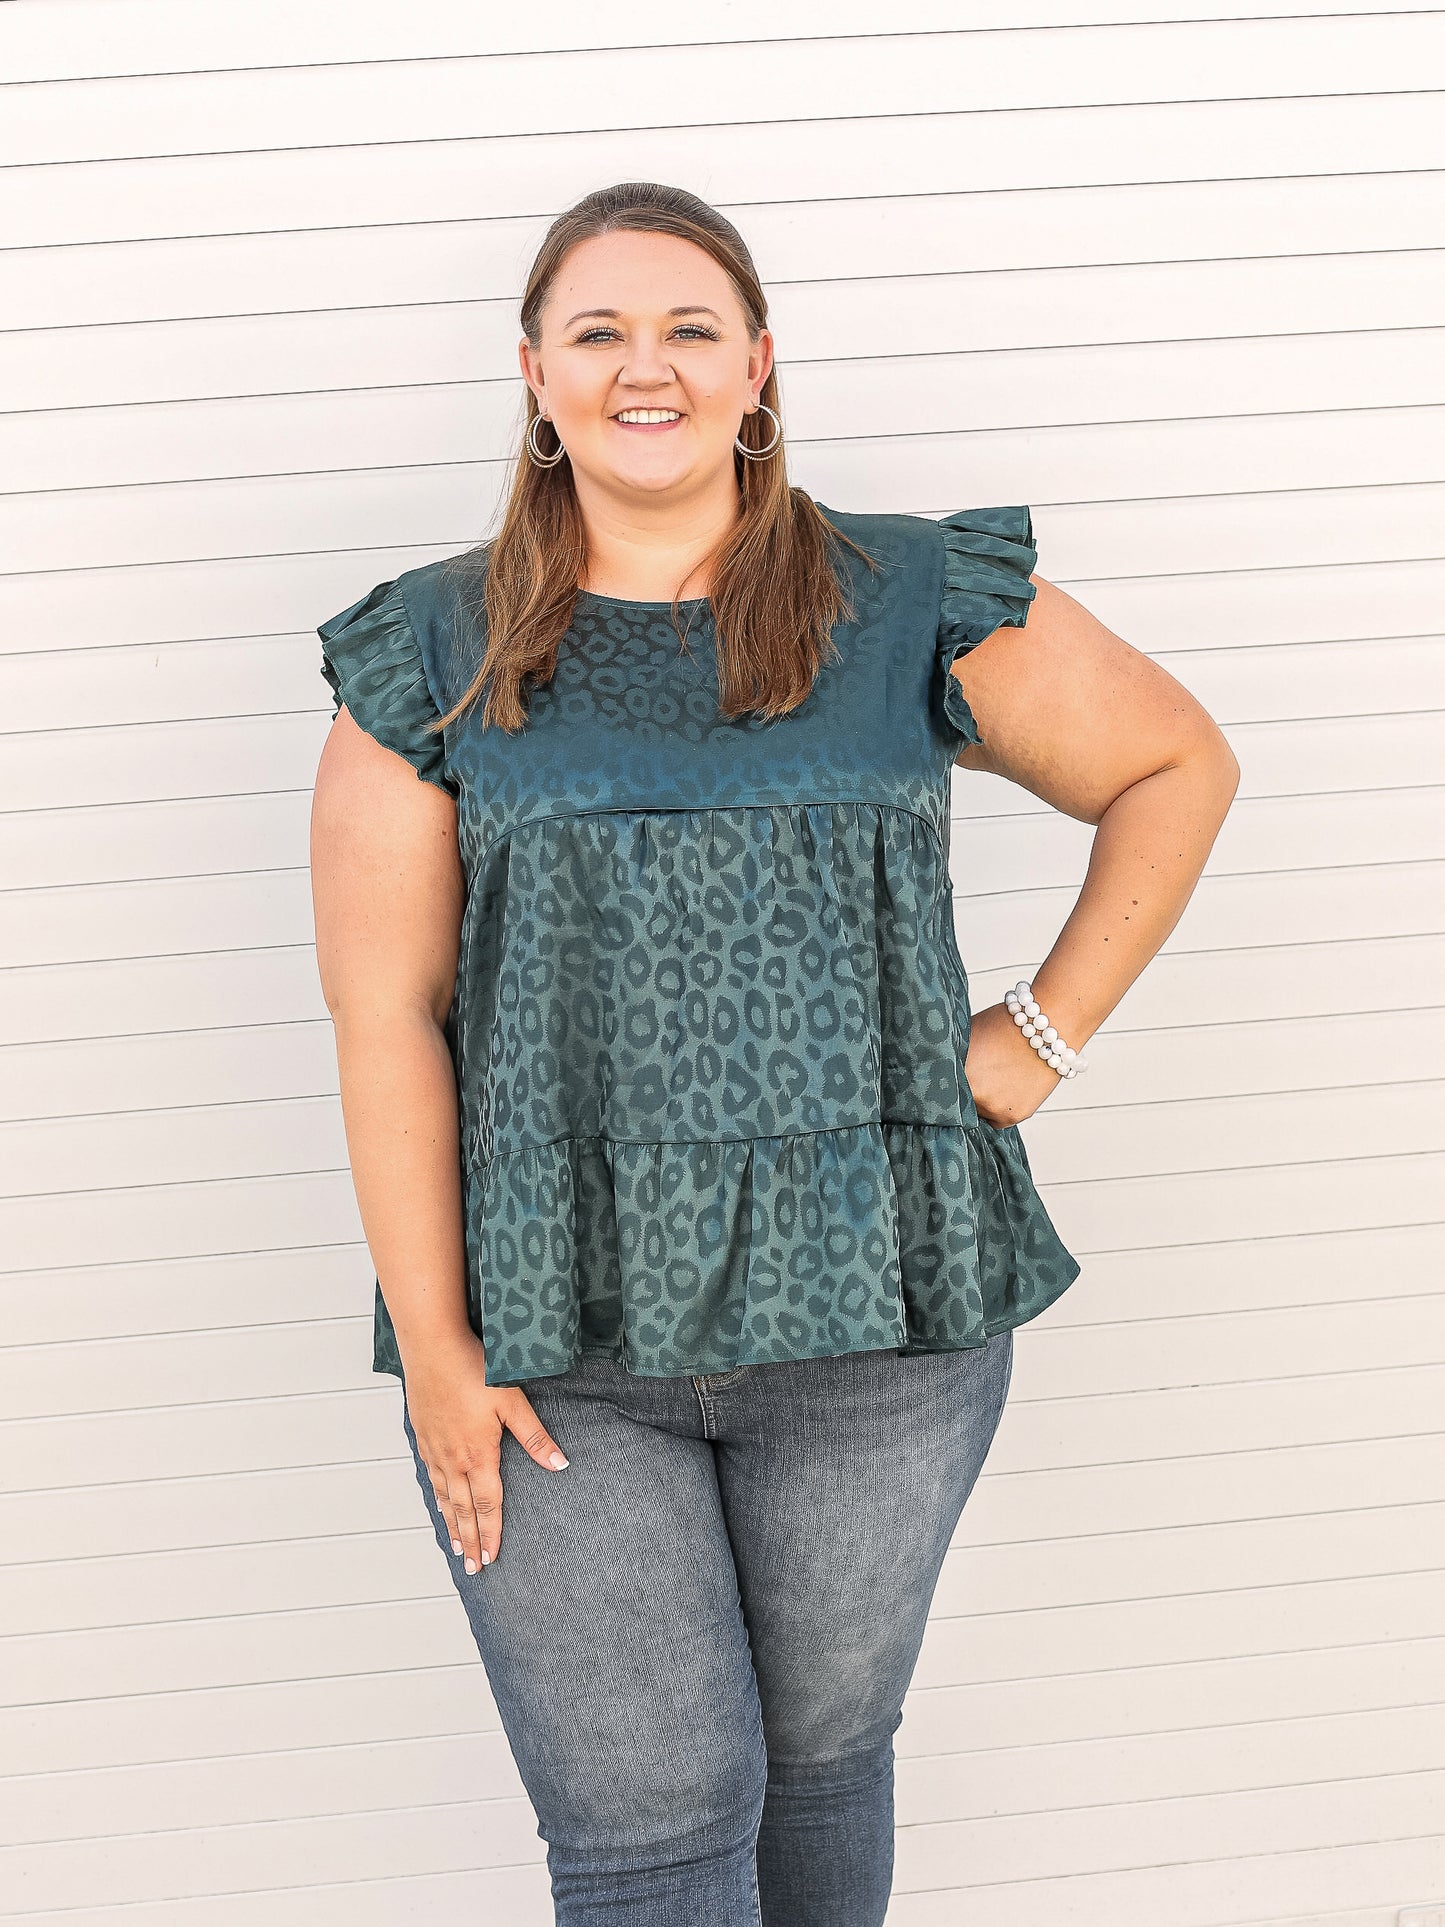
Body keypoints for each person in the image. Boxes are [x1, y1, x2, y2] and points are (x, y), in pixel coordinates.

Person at [309, 181, 1239, 1927]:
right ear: (534, 374)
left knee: (821, 1769)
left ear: (757, 370)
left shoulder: (905, 597)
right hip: (552, 1335)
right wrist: (437, 1347)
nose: (641, 366)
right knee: (651, 1829)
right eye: (597, 332)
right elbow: (386, 1017)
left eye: (687, 330)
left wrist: (1032, 1040)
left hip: (883, 1325)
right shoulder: (426, 652)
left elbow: (1175, 767)